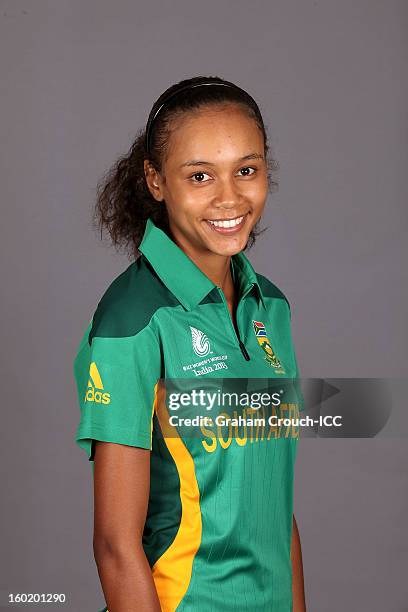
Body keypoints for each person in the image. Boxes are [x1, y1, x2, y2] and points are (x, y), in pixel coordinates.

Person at [73, 75, 306, 612]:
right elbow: (114, 545)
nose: (230, 197)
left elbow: (273, 503)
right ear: (155, 180)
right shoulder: (132, 319)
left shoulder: (271, 307)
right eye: (200, 175)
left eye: (246, 170)